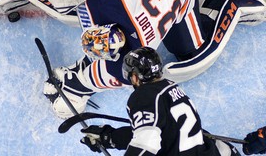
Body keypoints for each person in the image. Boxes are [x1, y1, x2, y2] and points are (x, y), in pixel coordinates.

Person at [0, 0, 266, 118]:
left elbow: (88, 78)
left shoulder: (122, 68)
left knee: (195, 57)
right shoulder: (111, 2)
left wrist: (69, 87)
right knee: (69, 1)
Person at [79, 46, 241, 155]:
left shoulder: (144, 96)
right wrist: (111, 137)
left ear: (135, 77)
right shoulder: (171, 88)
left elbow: (146, 143)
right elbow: (160, 133)